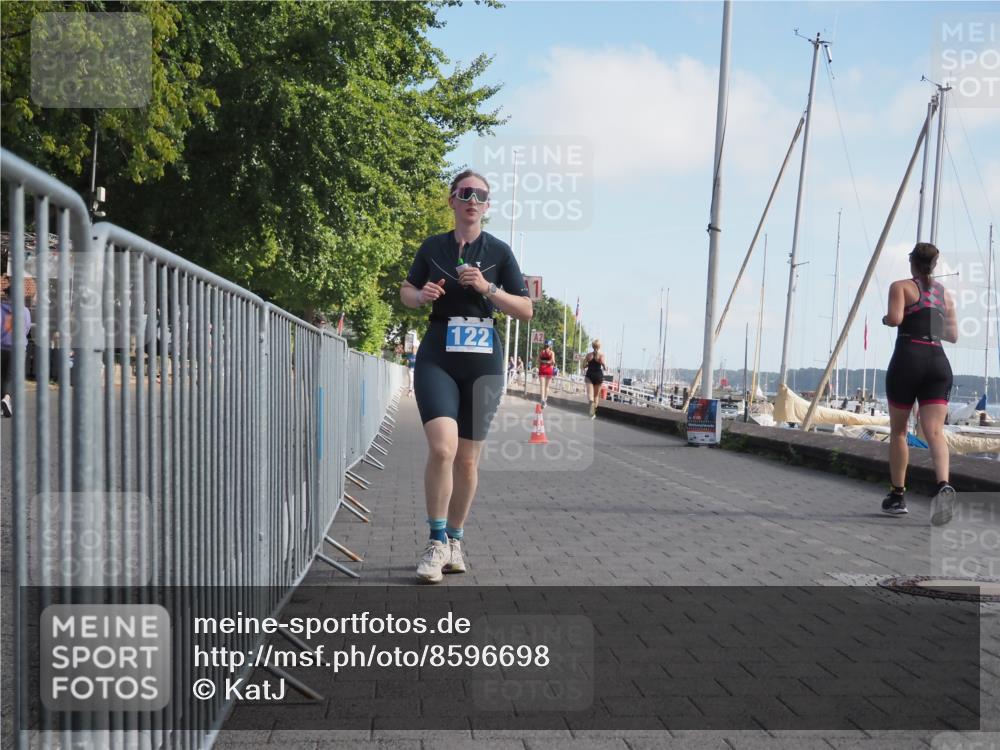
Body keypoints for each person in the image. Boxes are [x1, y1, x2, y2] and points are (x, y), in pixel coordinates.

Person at [400, 170, 533, 583]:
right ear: (452, 200)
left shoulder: (500, 252)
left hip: (482, 360)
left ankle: (455, 539)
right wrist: (421, 295)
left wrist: (488, 288)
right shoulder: (433, 247)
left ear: (487, 205)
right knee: (443, 449)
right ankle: (436, 542)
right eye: (465, 193)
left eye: (480, 195)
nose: (472, 200)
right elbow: (406, 292)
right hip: (438, 354)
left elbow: (525, 309)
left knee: (468, 459)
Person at [880, 242, 958, 524]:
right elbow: (952, 336)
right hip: (938, 361)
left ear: (912, 261)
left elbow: (896, 318)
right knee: (935, 431)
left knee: (899, 431)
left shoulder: (901, 287)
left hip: (909, 358)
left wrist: (886, 319)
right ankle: (943, 485)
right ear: (934, 265)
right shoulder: (944, 295)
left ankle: (897, 496)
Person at [0, 279, 32, 418]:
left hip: (1, 345)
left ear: (7, 295)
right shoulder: (24, 311)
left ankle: (2, 403)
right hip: (18, 347)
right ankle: (7, 399)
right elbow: (27, 328)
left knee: (2, 376)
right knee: (12, 376)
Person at [583, 339, 606, 419]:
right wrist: (603, 365)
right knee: (596, 396)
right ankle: (592, 413)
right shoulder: (601, 355)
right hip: (598, 376)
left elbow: (583, 365)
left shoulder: (588, 355)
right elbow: (604, 366)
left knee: (590, 396)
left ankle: (591, 410)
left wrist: (588, 365)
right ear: (599, 346)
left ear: (592, 346)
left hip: (589, 375)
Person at [538, 339, 555, 407]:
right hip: (549, 369)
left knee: (542, 386)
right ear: (550, 346)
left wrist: (543, 362)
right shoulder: (551, 352)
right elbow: (553, 361)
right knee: (547, 387)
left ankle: (542, 400)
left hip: (542, 369)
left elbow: (538, 360)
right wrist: (548, 362)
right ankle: (545, 400)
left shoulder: (541, 352)